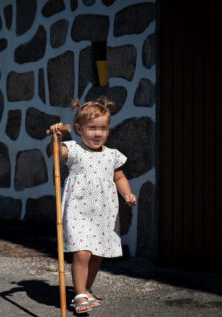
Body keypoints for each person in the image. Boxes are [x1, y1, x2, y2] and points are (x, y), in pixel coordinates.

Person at [49, 97, 136, 314]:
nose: (98, 133)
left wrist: (127, 193)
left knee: (97, 254)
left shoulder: (112, 155)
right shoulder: (74, 149)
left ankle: (87, 288)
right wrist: (56, 139)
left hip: (103, 214)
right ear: (79, 128)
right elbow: (56, 154)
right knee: (82, 253)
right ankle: (78, 294)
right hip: (78, 211)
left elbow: (119, 177)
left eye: (103, 128)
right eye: (92, 128)